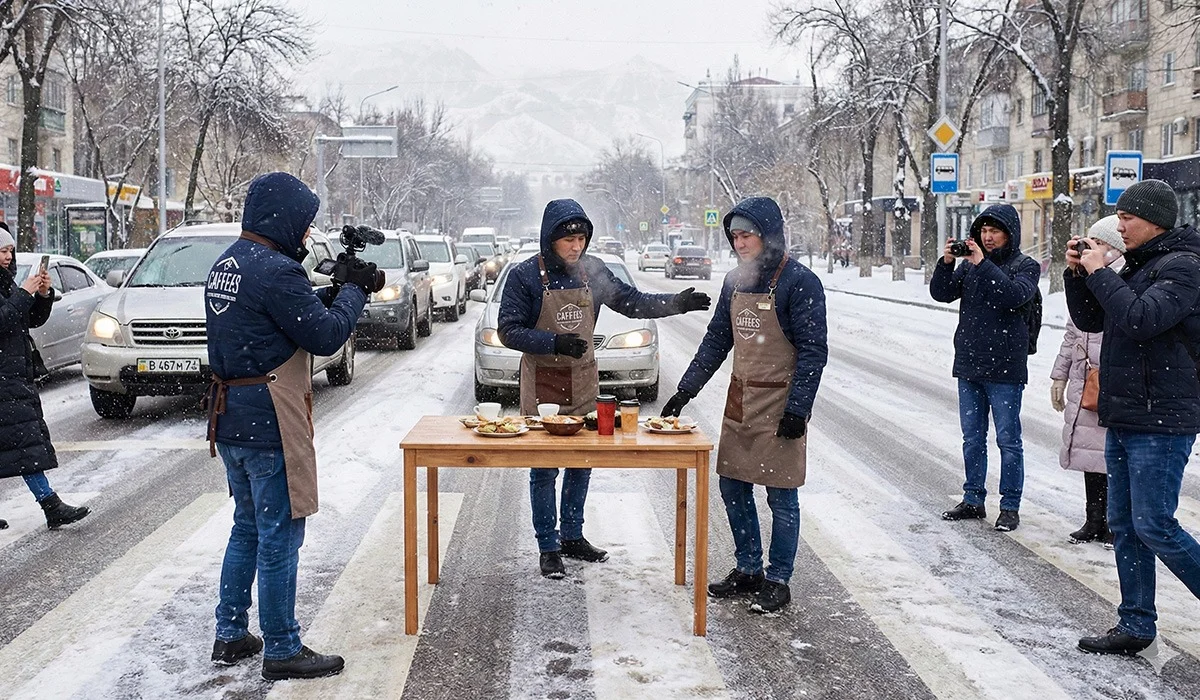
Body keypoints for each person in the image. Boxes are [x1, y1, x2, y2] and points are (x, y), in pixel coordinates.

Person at [204, 172, 377, 680]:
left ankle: (231, 632)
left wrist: (330, 289)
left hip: (231, 416)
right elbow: (324, 336)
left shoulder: (229, 263)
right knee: (281, 534)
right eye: (304, 224)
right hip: (270, 418)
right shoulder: (277, 272)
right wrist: (352, 292)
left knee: (248, 528)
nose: (306, 235)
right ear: (283, 218)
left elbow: (276, 320)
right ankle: (281, 647)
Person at [498, 199, 711, 579]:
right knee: (545, 468)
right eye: (567, 240)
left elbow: (632, 302)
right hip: (542, 381)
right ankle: (548, 545)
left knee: (582, 461)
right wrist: (553, 343)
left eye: (581, 238)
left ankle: (573, 535)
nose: (576, 246)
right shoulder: (525, 275)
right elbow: (508, 330)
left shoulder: (592, 272)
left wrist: (676, 303)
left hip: (582, 380)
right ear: (550, 239)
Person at [663, 197, 828, 614]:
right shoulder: (735, 281)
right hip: (742, 398)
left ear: (768, 234)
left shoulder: (799, 282)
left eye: (747, 235)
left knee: (781, 494)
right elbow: (718, 339)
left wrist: (799, 409)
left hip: (780, 402)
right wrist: (686, 390)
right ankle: (749, 568)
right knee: (732, 485)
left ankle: (778, 579)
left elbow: (813, 351)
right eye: (734, 236)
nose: (739, 243)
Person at [1065, 179, 1200, 656]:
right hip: (1126, 414)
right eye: (1118, 217)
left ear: (1156, 220)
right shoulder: (1142, 265)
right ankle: (1136, 624)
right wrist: (1079, 274)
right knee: (1124, 523)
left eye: (1129, 218)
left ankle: (1138, 620)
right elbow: (1095, 320)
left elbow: (1141, 319)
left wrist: (1103, 272)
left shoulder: (1183, 266)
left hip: (1161, 417)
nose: (1120, 226)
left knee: (1155, 524)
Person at [931, 203, 1040, 532]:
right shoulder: (967, 266)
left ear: (1010, 234)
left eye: (995, 231)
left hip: (1005, 368)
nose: (988, 237)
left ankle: (1009, 505)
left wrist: (981, 264)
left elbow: (1012, 296)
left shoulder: (1026, 266)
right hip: (969, 364)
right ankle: (973, 499)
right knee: (972, 439)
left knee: (1008, 441)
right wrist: (948, 262)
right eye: (984, 231)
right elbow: (941, 293)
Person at [0, 222, 90, 530]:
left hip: (12, 375)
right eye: (2, 251)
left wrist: (42, 294)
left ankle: (51, 506)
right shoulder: (10, 287)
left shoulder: (6, 283)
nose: (8, 257)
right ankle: (51, 505)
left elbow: (29, 319)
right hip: (5, 378)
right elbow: (2, 320)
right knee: (23, 444)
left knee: (20, 444)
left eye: (10, 250)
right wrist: (24, 293)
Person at [1050, 216, 1124, 547]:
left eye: (1101, 244)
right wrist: (1059, 375)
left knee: (1109, 455)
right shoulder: (1085, 280)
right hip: (1086, 376)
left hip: (1110, 378)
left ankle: (1113, 522)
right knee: (1089, 454)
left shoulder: (1123, 281)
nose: (1092, 250)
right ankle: (1094, 519)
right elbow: (1072, 332)